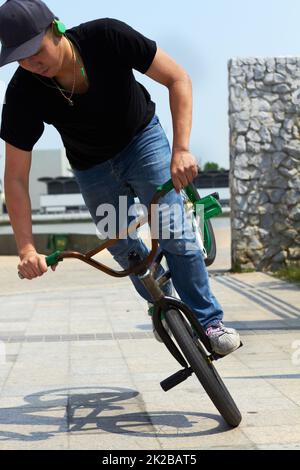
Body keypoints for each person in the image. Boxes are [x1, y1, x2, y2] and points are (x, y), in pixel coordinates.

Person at [0, 0, 240, 355]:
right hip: (91, 167)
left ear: (56, 28)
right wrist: (26, 249)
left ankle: (209, 321)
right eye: (19, 58)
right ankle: (161, 302)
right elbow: (16, 178)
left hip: (142, 141)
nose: (31, 64)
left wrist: (182, 149)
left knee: (171, 227)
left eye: (35, 51)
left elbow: (178, 78)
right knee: (124, 248)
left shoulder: (107, 36)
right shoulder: (23, 92)